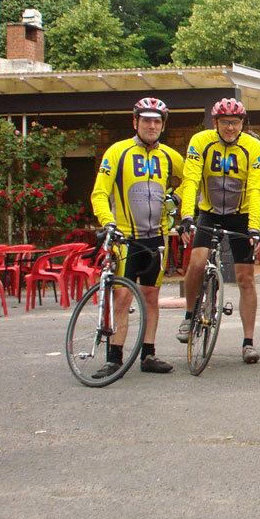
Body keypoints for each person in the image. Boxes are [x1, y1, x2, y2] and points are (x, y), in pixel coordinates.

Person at [89, 97, 184, 377]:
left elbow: (194, 179)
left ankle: (149, 355)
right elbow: (99, 193)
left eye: (157, 121)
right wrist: (108, 223)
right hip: (126, 238)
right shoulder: (117, 152)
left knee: (151, 297)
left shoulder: (168, 156)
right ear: (135, 122)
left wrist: (177, 199)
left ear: (163, 125)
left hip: (156, 238)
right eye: (146, 120)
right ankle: (114, 357)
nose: (151, 126)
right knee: (122, 298)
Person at [177, 98, 260, 364]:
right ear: (214, 123)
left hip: (240, 216)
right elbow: (191, 178)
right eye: (225, 122)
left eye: (235, 122)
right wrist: (186, 216)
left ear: (242, 123)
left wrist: (254, 226)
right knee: (196, 262)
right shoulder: (200, 141)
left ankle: (248, 342)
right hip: (209, 212)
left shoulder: (253, 147)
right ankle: (189, 315)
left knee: (245, 278)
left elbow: (255, 189)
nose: (230, 128)